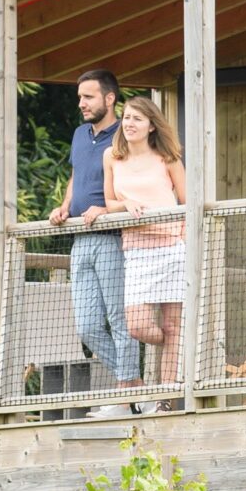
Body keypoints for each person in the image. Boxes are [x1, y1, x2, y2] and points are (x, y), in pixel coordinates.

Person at [49, 69, 143, 416]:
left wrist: (106, 208)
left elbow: (136, 184)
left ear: (109, 98)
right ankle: (136, 388)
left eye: (88, 97)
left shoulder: (125, 135)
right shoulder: (79, 134)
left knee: (120, 321)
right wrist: (64, 206)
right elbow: (76, 175)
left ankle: (125, 397)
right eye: (80, 98)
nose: (82, 104)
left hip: (113, 238)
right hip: (80, 238)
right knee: (87, 327)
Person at [105, 95, 191, 402]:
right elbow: (109, 203)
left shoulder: (167, 158)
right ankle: (176, 344)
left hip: (171, 249)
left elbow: (187, 201)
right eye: (126, 117)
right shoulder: (111, 156)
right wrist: (125, 204)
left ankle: (165, 399)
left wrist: (182, 238)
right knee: (138, 327)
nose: (129, 123)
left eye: (137, 119)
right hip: (136, 251)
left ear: (151, 126)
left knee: (173, 324)